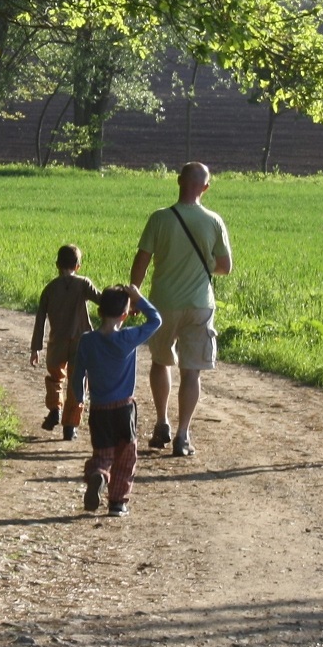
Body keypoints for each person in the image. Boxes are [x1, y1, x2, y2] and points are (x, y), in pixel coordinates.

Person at [129, 161, 232, 457]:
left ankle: (162, 422)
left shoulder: (160, 218)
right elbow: (225, 267)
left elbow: (141, 261)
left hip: (163, 303)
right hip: (200, 305)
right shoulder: (214, 221)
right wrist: (200, 264)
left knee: (161, 362)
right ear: (206, 188)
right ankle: (183, 435)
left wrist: (134, 295)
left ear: (178, 182)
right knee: (192, 372)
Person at [71, 284, 162, 516]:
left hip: (99, 409)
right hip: (124, 408)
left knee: (103, 454)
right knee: (125, 456)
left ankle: (98, 475)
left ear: (99, 312)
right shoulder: (127, 338)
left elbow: (78, 373)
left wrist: (80, 398)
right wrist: (138, 298)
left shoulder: (87, 341)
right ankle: (117, 503)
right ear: (125, 314)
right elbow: (155, 320)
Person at [30, 244, 102, 441]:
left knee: (55, 379)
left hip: (57, 343)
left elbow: (40, 319)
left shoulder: (50, 289)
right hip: (81, 343)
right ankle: (70, 426)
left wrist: (36, 348)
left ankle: (55, 408)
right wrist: (126, 304)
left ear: (57, 265)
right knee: (77, 384)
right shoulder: (84, 284)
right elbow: (102, 300)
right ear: (78, 266)